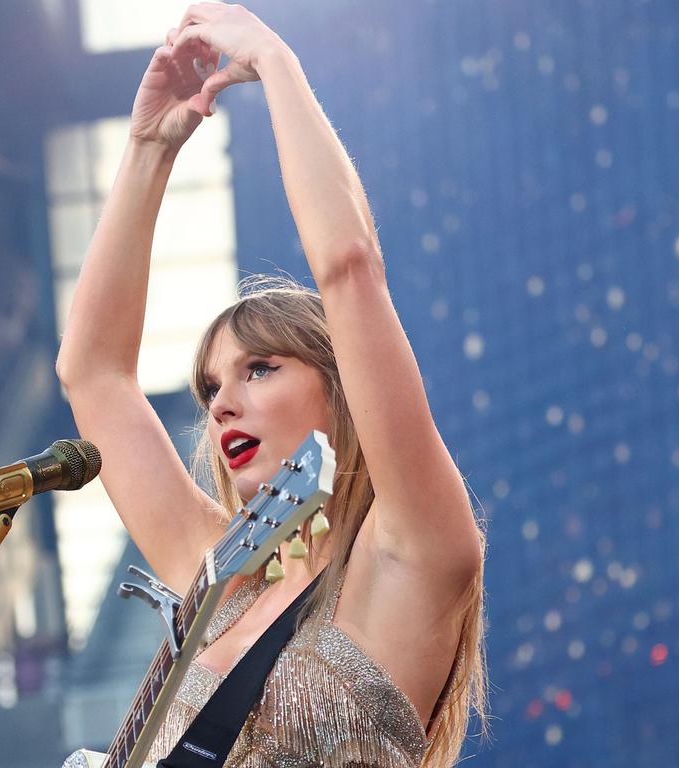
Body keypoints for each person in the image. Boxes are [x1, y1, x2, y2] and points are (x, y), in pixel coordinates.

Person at [55, 4, 487, 767]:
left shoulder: (412, 555)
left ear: (342, 388)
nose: (221, 401)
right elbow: (92, 373)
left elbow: (349, 269)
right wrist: (150, 149)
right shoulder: (216, 573)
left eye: (260, 369)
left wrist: (275, 64)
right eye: (210, 386)